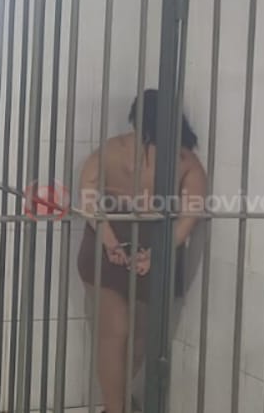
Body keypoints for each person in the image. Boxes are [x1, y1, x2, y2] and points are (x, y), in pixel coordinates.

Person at [76, 89, 208, 413]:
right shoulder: (185, 161)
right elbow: (190, 216)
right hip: (155, 240)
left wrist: (108, 239)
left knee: (115, 334)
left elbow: (87, 196)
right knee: (136, 337)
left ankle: (115, 406)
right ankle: (117, 406)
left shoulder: (111, 149)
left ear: (135, 117)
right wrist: (157, 254)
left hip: (107, 238)